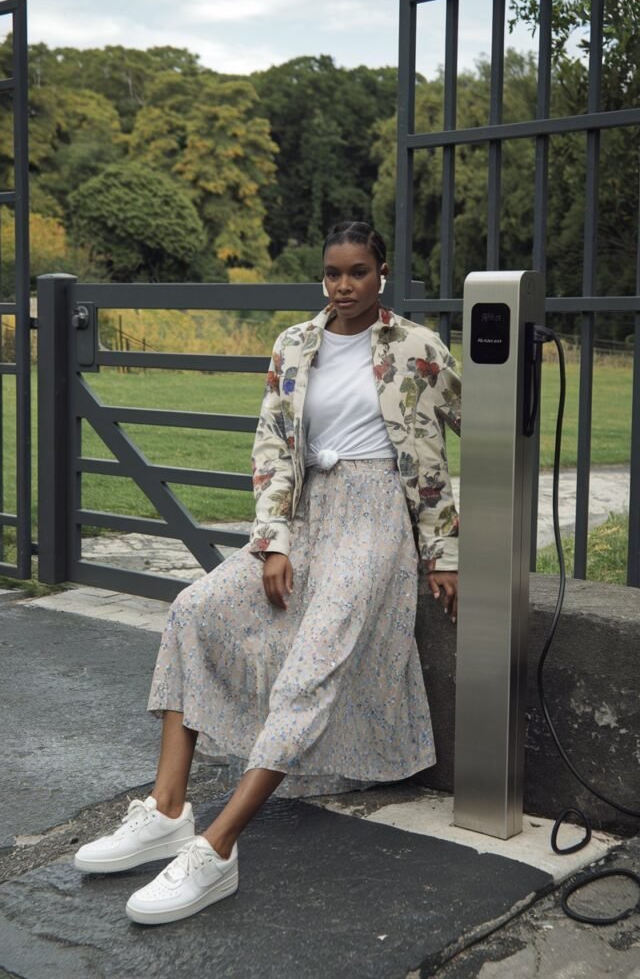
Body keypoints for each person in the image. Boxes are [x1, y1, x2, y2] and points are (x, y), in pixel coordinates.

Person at [74, 220, 461, 926]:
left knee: (312, 663)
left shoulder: (419, 348)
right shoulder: (294, 343)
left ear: (383, 272)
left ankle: (217, 849)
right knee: (196, 607)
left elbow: (452, 447)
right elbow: (273, 445)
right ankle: (167, 810)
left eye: (358, 272)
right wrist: (274, 539)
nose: (344, 286)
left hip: (375, 521)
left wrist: (444, 554)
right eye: (333, 273)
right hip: (305, 517)